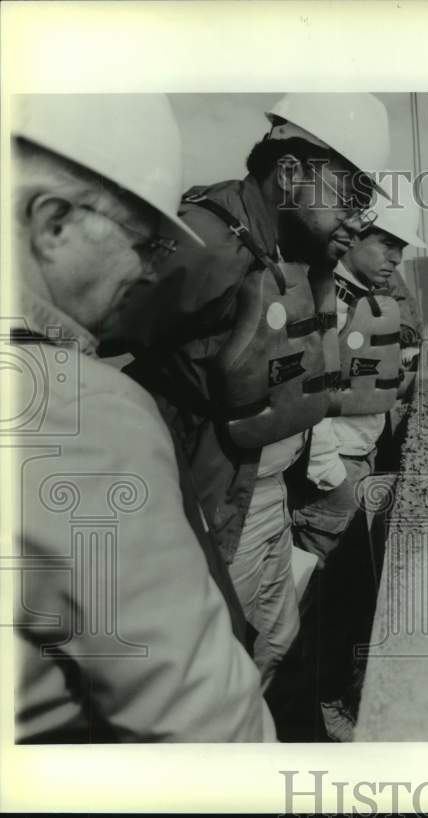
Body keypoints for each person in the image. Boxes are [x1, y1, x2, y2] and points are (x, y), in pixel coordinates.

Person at [10, 93, 274, 741]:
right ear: (53, 224)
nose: (150, 271)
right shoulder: (82, 414)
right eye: (143, 243)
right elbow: (206, 728)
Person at [121, 93, 392, 691]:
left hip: (265, 495)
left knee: (274, 651)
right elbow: (90, 341)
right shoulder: (208, 244)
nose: (359, 217)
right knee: (211, 680)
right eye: (349, 193)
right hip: (211, 508)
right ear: (290, 173)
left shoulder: (291, 250)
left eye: (365, 201)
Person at [289, 177, 426, 741]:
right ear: (355, 239)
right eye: (386, 243)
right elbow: (304, 386)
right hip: (333, 466)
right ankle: (322, 699)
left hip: (358, 456)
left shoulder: (370, 297)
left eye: (402, 247)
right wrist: (327, 468)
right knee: (332, 589)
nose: (396, 256)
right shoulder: (326, 298)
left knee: (351, 586)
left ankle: (331, 690)